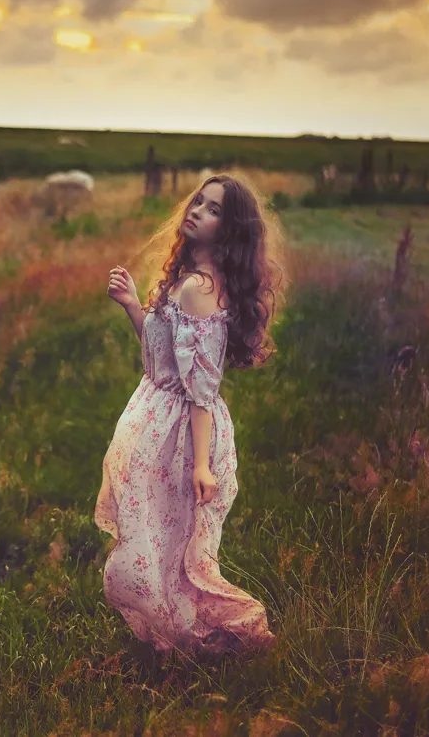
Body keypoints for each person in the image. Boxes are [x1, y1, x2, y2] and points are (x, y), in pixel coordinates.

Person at [97, 173, 288, 657]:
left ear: (231, 232)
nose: (198, 210)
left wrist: (202, 465)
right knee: (159, 534)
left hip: (179, 434)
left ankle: (203, 638)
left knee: (169, 544)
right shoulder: (190, 282)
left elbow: (201, 390)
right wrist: (130, 307)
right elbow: (162, 356)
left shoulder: (200, 288)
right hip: (159, 419)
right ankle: (174, 635)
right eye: (199, 201)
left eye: (214, 209)